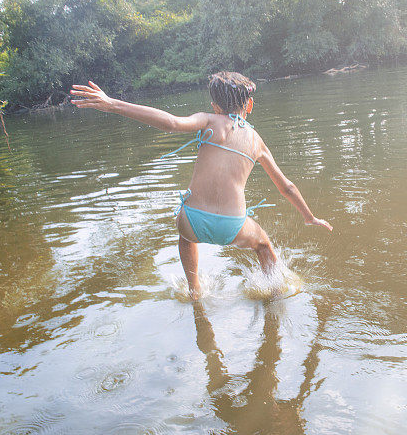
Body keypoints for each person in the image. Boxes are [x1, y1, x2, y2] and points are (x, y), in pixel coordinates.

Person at [70, 71, 332, 299]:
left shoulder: (208, 120)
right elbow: (286, 187)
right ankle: (276, 295)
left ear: (215, 106)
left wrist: (113, 104)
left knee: (185, 238)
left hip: (193, 220)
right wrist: (309, 217)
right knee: (263, 245)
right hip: (233, 225)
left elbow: (171, 123)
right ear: (249, 105)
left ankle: (195, 292)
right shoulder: (256, 141)